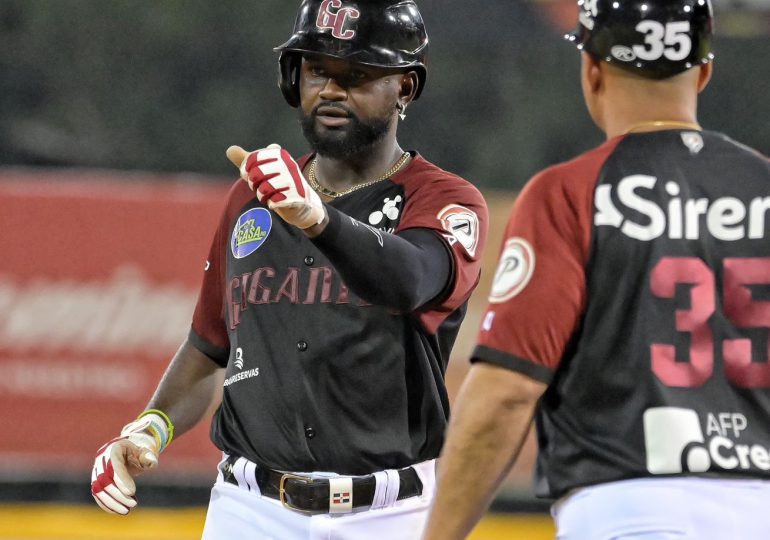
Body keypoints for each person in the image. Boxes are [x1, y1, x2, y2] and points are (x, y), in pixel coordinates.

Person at [89, 1, 488, 538]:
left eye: (359, 75)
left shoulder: (444, 199)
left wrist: (319, 220)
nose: (331, 89)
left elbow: (410, 280)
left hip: (391, 514)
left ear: (406, 88)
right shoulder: (250, 199)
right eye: (318, 69)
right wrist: (148, 429)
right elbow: (209, 347)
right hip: (249, 509)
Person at [422, 1, 770, 539]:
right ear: (703, 71)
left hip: (630, 508)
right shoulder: (763, 186)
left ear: (592, 69)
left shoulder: (570, 193)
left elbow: (508, 391)